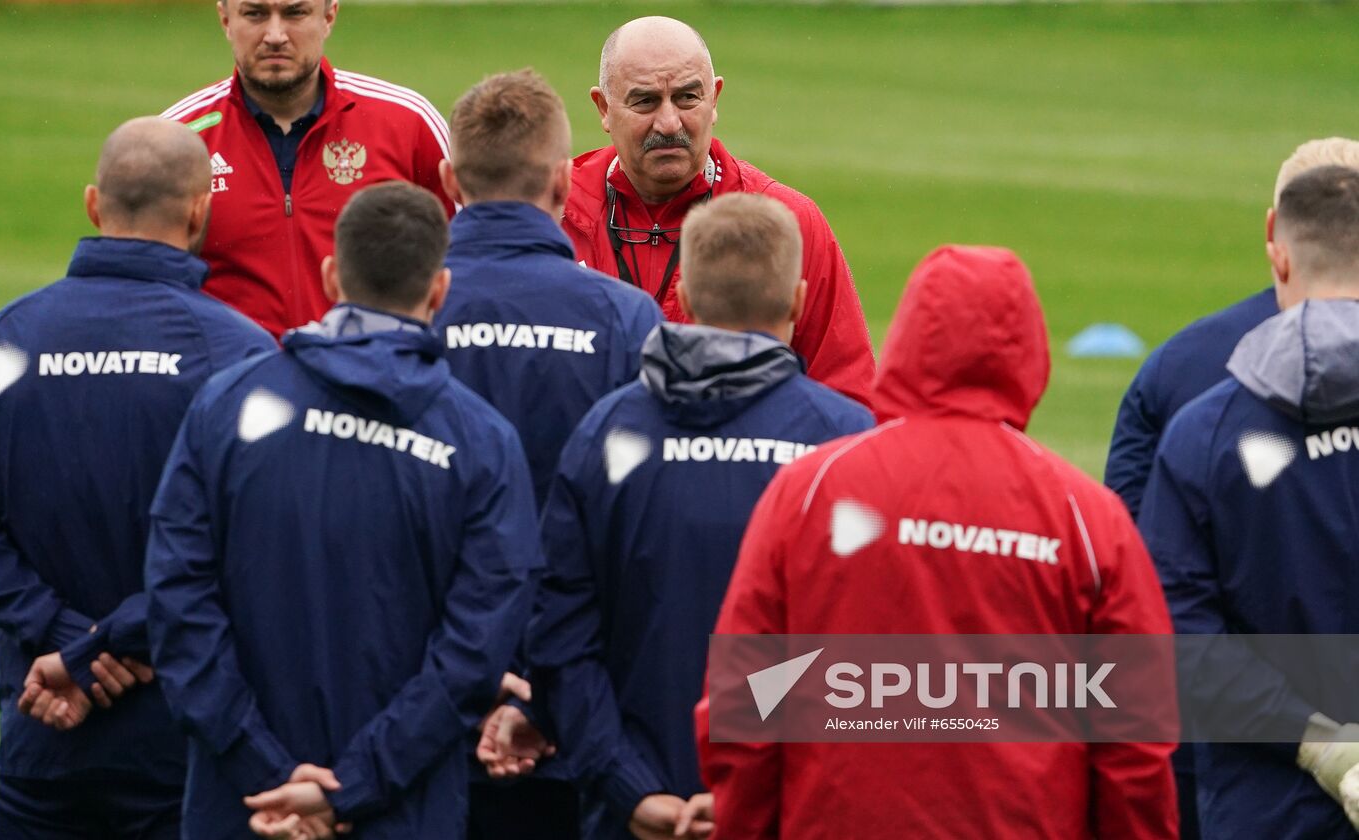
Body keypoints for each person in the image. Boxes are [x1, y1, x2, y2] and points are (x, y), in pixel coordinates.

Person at [698, 245, 1177, 839]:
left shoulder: (812, 488)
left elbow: (746, 696)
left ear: (908, 338)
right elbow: (1135, 744)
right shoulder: (1084, 517)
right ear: (1029, 350)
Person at [144, 181, 542, 839]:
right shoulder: (482, 441)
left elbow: (176, 599)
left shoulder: (227, 404)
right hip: (400, 811)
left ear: (332, 276)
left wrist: (265, 771)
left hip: (243, 808)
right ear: (439, 291)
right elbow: (476, 650)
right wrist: (354, 786)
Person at [517, 193, 872, 840]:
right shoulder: (844, 446)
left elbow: (558, 639)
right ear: (797, 300)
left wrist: (627, 788)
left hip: (630, 815)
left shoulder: (607, 432)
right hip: (786, 813)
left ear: (680, 292)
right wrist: (755, 793)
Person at [0, 117, 274, 838]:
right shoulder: (241, 356)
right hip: (186, 735)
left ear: (94, 205)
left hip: (44, 721)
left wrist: (63, 642)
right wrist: (112, 642)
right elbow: (246, 544)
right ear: (201, 210)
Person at [1105, 137, 1359, 840]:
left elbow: (1167, 631)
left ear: (1277, 247)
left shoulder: (1202, 425)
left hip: (1263, 806)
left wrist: (1324, 748)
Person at [562, 16, 875, 407]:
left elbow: (846, 399)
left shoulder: (787, 222)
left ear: (715, 99)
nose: (669, 122)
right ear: (604, 108)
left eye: (687, 97)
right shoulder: (552, 212)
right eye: (645, 101)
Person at [437, 68, 662, 509]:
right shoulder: (626, 317)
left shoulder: (406, 302)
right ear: (563, 180)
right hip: (574, 574)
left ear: (449, 182)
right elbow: (647, 489)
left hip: (433, 575)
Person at [162, 0, 453, 339]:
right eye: (255, 14)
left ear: (329, 16)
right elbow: (151, 291)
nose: (274, 35)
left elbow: (463, 261)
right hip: (240, 386)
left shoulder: (408, 124)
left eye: (295, 13)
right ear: (225, 19)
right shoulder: (178, 139)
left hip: (371, 382)